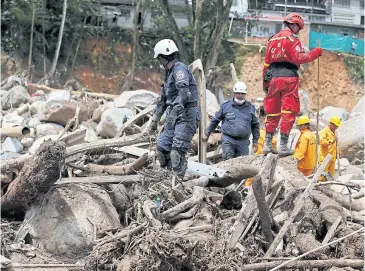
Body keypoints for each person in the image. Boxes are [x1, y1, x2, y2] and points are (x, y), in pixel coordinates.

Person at [262, 13, 323, 155]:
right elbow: (299, 57)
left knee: (272, 112)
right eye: (299, 28)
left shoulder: (272, 40)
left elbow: (266, 65)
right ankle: (283, 146)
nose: (299, 31)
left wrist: (265, 84)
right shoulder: (292, 39)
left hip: (272, 79)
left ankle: (267, 145)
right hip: (289, 78)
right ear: (294, 25)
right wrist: (315, 53)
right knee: (289, 111)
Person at [149, 39, 199, 179]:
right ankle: (167, 177)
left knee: (176, 153)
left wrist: (174, 113)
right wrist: (155, 119)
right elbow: (163, 100)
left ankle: (178, 183)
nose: (159, 61)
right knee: (162, 149)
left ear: (162, 57)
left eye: (159, 58)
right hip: (174, 116)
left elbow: (184, 92)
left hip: (186, 116)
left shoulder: (180, 69)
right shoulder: (169, 73)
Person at [205, 81, 260, 160]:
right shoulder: (225, 106)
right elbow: (215, 120)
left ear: (245, 94)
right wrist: (207, 134)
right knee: (228, 162)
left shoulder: (251, 108)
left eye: (242, 93)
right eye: (238, 93)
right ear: (234, 93)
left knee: (242, 165)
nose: (240, 95)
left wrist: (255, 141)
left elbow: (255, 125)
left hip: (243, 142)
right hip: (228, 140)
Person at [318, 116, 341, 181]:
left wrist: (338, 152)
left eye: (337, 126)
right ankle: (319, 188)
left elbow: (336, 144)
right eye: (335, 126)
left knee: (330, 176)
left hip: (332, 158)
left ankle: (327, 188)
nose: (336, 128)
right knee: (322, 176)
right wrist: (331, 141)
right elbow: (322, 142)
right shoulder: (324, 131)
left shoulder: (335, 132)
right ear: (331, 124)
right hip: (324, 157)